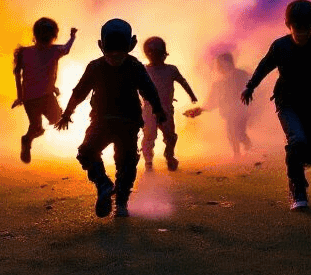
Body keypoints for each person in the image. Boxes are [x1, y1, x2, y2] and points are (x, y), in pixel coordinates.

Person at [241, 0, 311, 211]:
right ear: (288, 25)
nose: (301, 33)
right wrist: (250, 87)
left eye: (306, 28)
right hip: (287, 102)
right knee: (297, 141)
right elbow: (264, 67)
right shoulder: (280, 47)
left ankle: (299, 165)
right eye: (297, 28)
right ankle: (297, 189)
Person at [56, 18, 165, 219]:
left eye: (120, 49)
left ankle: (121, 203)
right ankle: (104, 185)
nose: (115, 54)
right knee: (87, 152)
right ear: (101, 46)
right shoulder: (96, 67)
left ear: (131, 45)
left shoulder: (134, 67)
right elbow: (80, 92)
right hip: (101, 121)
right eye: (111, 49)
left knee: (126, 162)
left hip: (128, 123)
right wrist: (67, 113)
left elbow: (149, 90)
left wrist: (158, 109)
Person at [12, 17, 77, 163]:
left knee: (38, 126)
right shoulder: (53, 50)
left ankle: (27, 139)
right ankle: (27, 140)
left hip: (34, 98)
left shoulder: (26, 52)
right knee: (47, 123)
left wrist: (20, 96)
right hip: (41, 97)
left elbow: (18, 74)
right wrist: (72, 37)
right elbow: (66, 48)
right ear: (53, 35)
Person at [140, 36, 197, 171]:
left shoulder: (171, 70)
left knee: (170, 136)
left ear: (164, 54)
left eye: (159, 53)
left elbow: (183, 81)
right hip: (149, 110)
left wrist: (191, 95)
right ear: (147, 54)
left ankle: (169, 155)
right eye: (152, 53)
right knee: (149, 135)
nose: (156, 56)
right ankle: (148, 162)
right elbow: (133, 86)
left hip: (166, 110)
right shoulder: (143, 70)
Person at [187, 52, 254, 159]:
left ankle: (248, 147)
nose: (217, 67)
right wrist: (200, 110)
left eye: (219, 64)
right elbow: (212, 101)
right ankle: (237, 154)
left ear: (228, 63)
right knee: (231, 134)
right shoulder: (218, 83)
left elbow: (252, 89)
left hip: (241, 111)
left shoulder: (241, 75)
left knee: (240, 133)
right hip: (229, 113)